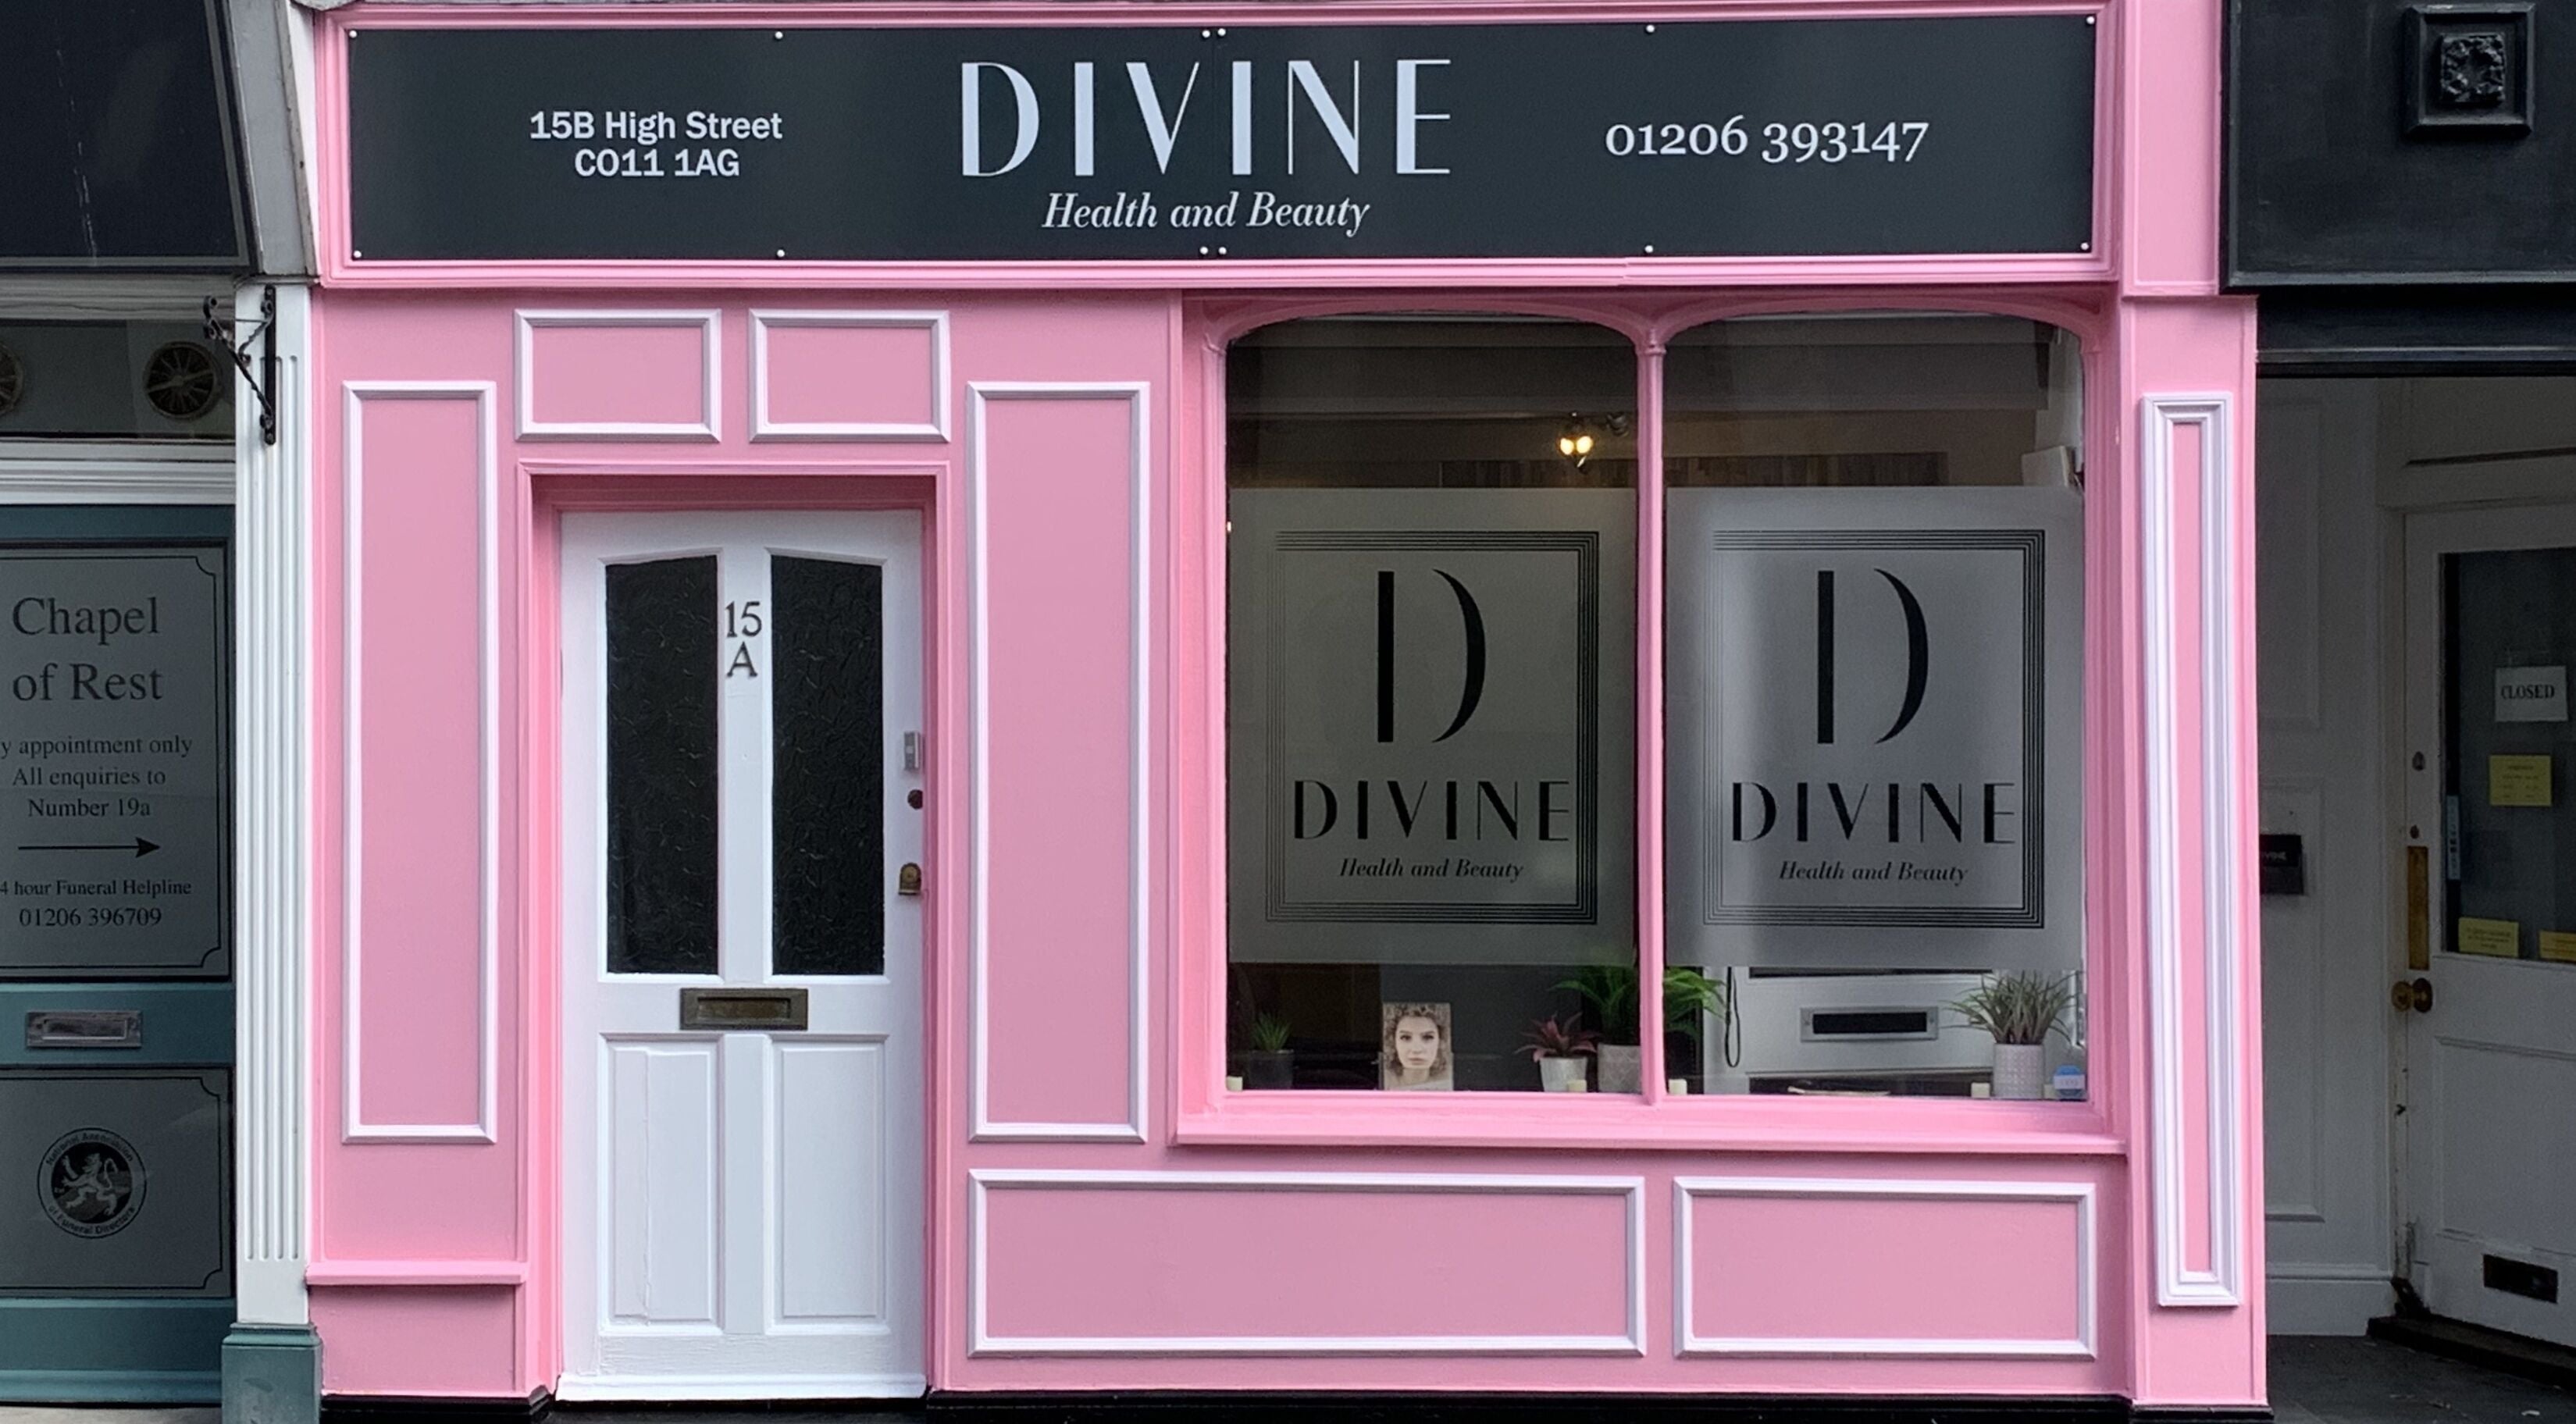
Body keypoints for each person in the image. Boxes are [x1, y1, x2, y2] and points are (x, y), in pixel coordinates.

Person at [1380, 1002, 1455, 1091]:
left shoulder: (1448, 1084)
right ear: (1393, 1041)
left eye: (1428, 1037)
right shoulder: (1385, 1084)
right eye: (1406, 1038)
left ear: (1441, 1042)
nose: (1416, 1049)